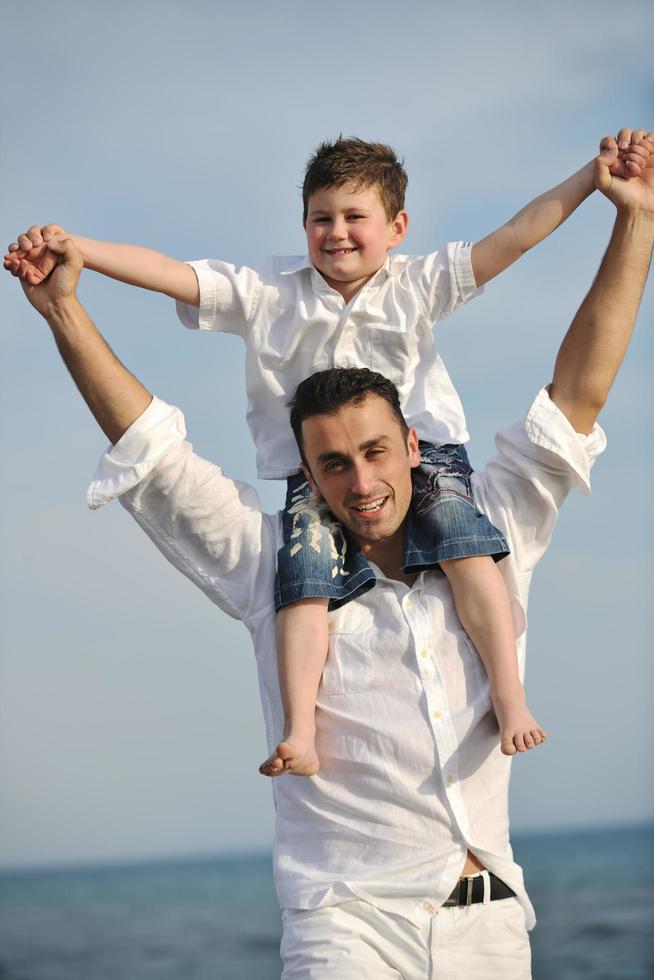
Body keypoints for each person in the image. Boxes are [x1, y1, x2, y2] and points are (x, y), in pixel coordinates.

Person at [10, 132, 653, 978]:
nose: (361, 482)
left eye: (378, 452)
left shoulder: (487, 530)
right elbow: (155, 456)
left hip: (492, 927)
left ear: (415, 445)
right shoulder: (272, 560)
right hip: (344, 927)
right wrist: (65, 307)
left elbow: (578, 393)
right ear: (304, 471)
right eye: (333, 464)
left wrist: (635, 218)